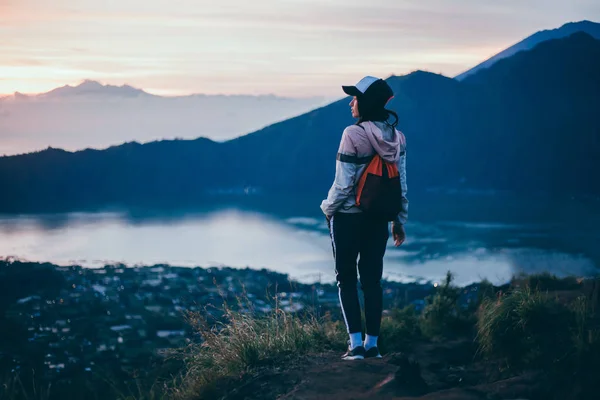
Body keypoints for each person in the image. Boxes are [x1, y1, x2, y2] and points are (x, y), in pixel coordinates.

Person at [321, 76, 408, 360]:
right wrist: (398, 220)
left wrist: (327, 208)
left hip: (347, 218)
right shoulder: (397, 138)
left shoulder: (352, 134)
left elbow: (343, 184)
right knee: (372, 281)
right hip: (378, 218)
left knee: (346, 279)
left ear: (366, 102)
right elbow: (400, 184)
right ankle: (373, 346)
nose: (351, 102)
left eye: (355, 98)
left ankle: (355, 345)